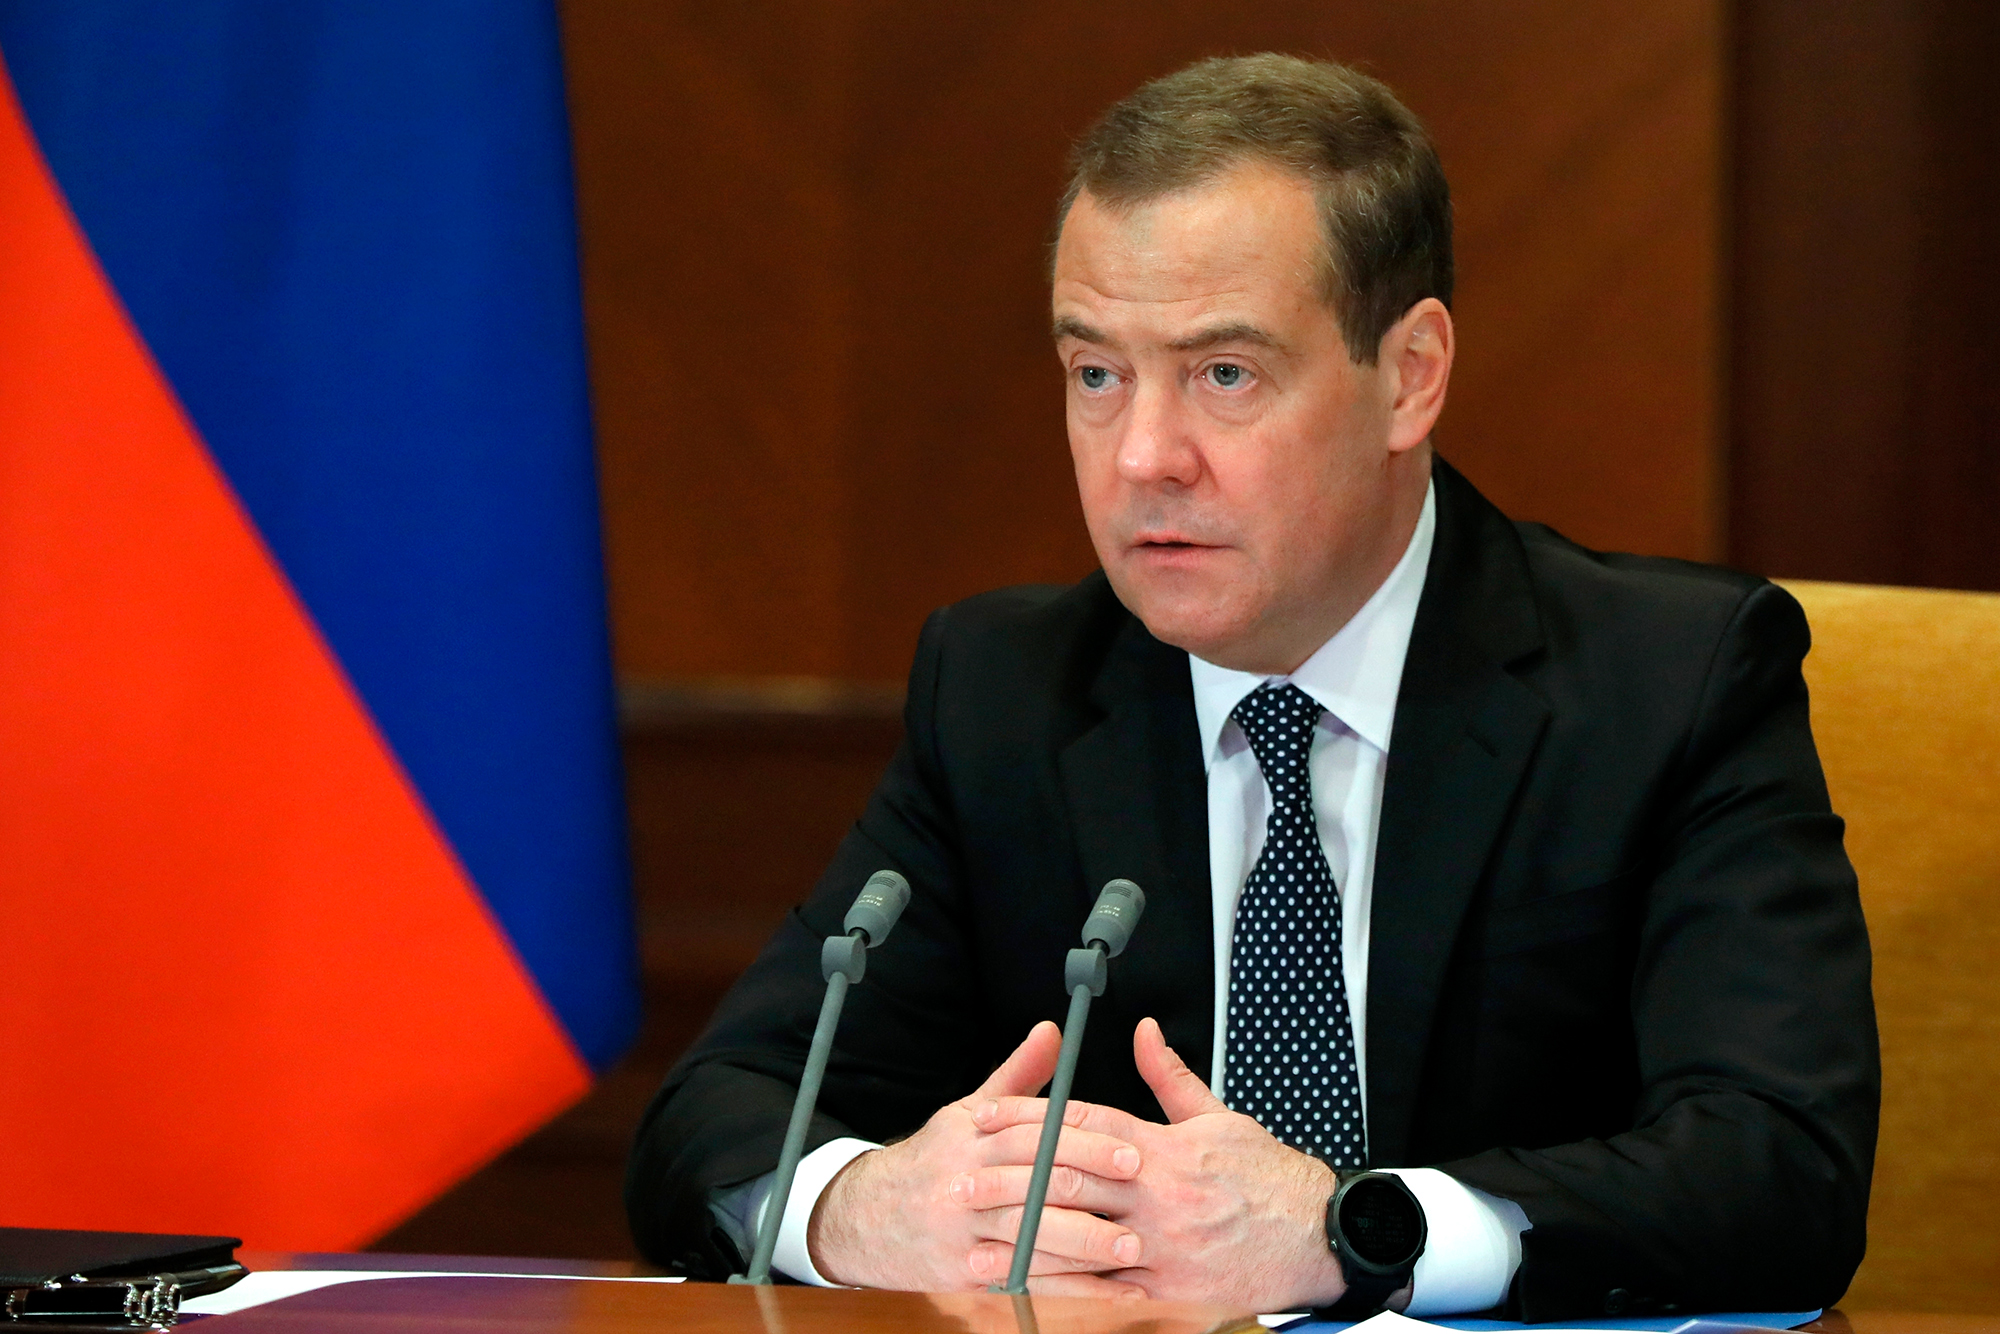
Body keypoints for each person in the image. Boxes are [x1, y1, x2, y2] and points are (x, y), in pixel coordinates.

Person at [624, 54, 1877, 1320]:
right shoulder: (1007, 691)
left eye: (1223, 374)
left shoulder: (1666, 682)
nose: (1143, 458)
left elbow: (1780, 1169)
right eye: (1095, 373)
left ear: (1410, 374)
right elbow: (713, 1117)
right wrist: (861, 1204)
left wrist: (1355, 1228)